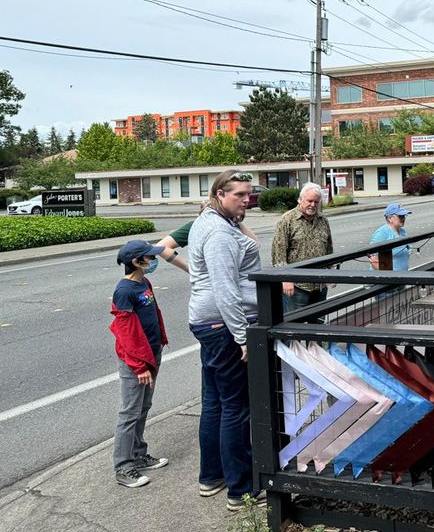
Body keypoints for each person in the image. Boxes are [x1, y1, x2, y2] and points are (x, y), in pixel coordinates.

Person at [187, 170, 265, 511]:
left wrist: (236, 214)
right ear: (220, 193)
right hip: (223, 325)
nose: (246, 200)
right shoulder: (218, 232)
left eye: (249, 194)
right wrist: (241, 337)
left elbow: (251, 243)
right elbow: (226, 289)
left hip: (209, 324)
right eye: (239, 195)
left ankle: (212, 477)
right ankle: (241, 491)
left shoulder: (211, 220)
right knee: (236, 406)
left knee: (216, 402)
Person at [110, 240, 170, 488]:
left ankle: (138, 454)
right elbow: (125, 332)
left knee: (143, 406)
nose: (153, 260)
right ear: (136, 262)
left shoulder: (144, 282)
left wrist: (161, 340)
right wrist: (139, 365)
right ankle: (123, 466)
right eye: (149, 257)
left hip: (151, 352)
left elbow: (153, 314)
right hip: (137, 360)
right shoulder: (124, 291)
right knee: (130, 412)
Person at [272, 182, 334, 312]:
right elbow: (278, 254)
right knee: (294, 324)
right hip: (297, 285)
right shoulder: (287, 220)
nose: (313, 205)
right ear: (300, 200)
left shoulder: (323, 220)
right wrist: (285, 280)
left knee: (318, 324)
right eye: (309, 201)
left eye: (316, 202)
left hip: (320, 283)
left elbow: (329, 249)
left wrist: (331, 274)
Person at [369, 203, 412, 271]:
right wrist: (388, 277)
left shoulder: (402, 232)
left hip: (402, 277)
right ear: (390, 218)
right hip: (387, 278)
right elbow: (373, 258)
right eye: (400, 216)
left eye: (404, 216)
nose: (403, 218)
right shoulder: (382, 233)